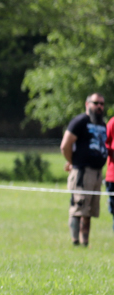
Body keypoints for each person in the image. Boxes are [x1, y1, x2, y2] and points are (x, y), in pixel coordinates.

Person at [61, 93, 108, 246]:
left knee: (89, 211)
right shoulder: (80, 121)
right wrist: (72, 161)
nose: (99, 106)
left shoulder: (102, 124)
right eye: (96, 103)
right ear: (87, 104)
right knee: (78, 208)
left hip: (96, 173)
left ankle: (85, 243)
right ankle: (75, 242)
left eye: (102, 104)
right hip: (82, 172)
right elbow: (65, 145)